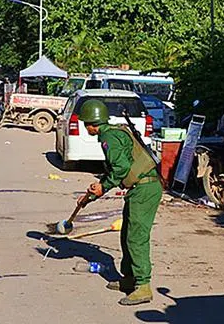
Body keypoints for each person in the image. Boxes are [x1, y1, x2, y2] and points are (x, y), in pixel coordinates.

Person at [77, 98, 162, 306]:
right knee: (127, 235)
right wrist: (94, 193)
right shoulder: (112, 133)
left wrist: (103, 187)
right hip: (140, 188)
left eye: (84, 124)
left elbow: (121, 168)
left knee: (136, 237)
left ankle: (143, 286)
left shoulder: (109, 137)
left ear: (90, 124)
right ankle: (130, 279)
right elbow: (116, 170)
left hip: (145, 188)